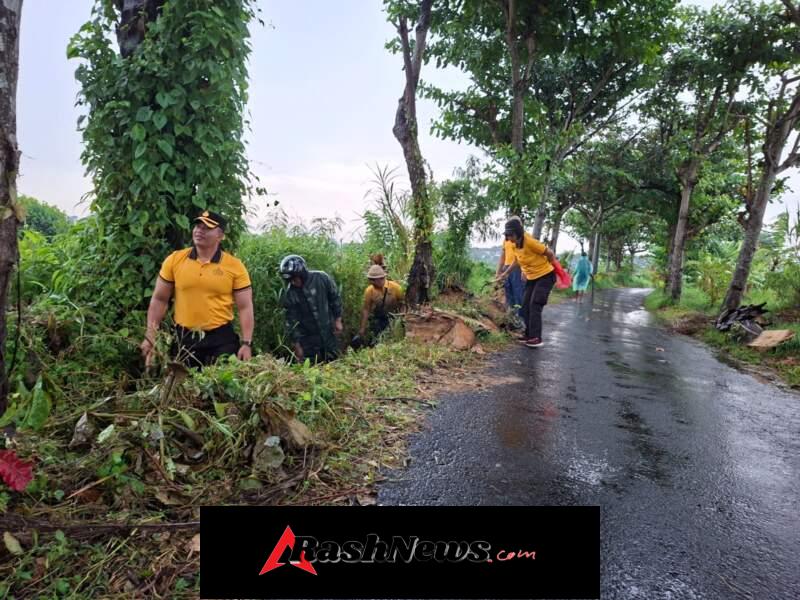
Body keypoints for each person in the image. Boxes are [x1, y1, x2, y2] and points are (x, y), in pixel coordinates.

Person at [140, 210, 254, 368]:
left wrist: (246, 343)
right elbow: (160, 299)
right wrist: (150, 335)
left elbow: (245, 306)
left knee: (221, 386)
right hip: (184, 338)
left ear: (220, 236)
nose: (200, 231)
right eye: (198, 226)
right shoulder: (175, 260)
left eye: (207, 228)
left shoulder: (234, 266)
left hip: (220, 339)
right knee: (182, 387)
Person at [497, 218, 556, 348]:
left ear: (518, 233)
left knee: (535, 304)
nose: (509, 238)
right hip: (532, 277)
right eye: (507, 235)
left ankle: (536, 337)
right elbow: (517, 260)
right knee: (524, 305)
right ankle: (529, 334)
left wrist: (552, 268)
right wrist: (505, 273)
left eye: (511, 235)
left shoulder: (530, 242)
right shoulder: (513, 244)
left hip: (545, 276)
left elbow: (549, 253)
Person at [279, 254, 343, 363]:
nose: (294, 282)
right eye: (291, 280)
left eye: (295, 279)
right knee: (313, 368)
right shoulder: (290, 294)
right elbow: (291, 322)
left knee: (335, 361)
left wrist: (338, 320)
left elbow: (334, 298)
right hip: (308, 339)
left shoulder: (321, 278)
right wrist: (297, 346)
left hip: (328, 331)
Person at [359, 264, 404, 343]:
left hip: (395, 319)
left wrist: (401, 319)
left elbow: (404, 303)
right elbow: (366, 310)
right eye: (370, 279)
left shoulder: (396, 288)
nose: (371, 282)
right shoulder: (369, 291)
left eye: (372, 280)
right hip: (379, 320)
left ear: (380, 279)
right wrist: (362, 328)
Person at [495, 216, 525, 320]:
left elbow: (522, 257)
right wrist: (498, 271)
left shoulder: (521, 239)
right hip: (506, 268)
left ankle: (521, 320)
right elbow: (502, 256)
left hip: (518, 268)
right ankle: (511, 319)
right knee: (509, 295)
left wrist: (524, 271)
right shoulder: (507, 239)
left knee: (519, 295)